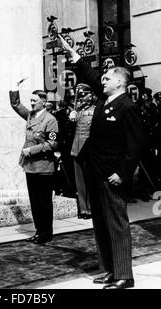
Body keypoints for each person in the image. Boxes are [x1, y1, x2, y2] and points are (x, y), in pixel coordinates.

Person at [59, 36, 146, 289]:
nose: (102, 80)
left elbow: (137, 144)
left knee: (117, 225)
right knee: (100, 225)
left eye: (107, 78)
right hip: (95, 172)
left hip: (112, 175)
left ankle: (124, 275)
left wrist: (123, 172)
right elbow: (90, 75)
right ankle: (108, 269)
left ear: (120, 81)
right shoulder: (104, 100)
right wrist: (74, 55)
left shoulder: (126, 106)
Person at [9, 79, 58, 244]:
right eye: (30, 101)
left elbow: (53, 144)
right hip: (30, 166)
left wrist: (32, 150)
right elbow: (16, 105)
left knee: (44, 202)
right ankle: (39, 231)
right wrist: (14, 87)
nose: (31, 104)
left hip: (44, 166)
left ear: (43, 102)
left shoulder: (50, 119)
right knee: (35, 202)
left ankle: (46, 233)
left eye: (34, 101)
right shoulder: (30, 115)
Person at [69, 83, 95, 219]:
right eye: (80, 96)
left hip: (88, 151)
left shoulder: (95, 110)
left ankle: (90, 208)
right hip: (76, 149)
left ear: (91, 95)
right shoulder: (76, 110)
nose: (81, 98)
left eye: (84, 95)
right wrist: (71, 119)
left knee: (89, 181)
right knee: (79, 182)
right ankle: (83, 209)